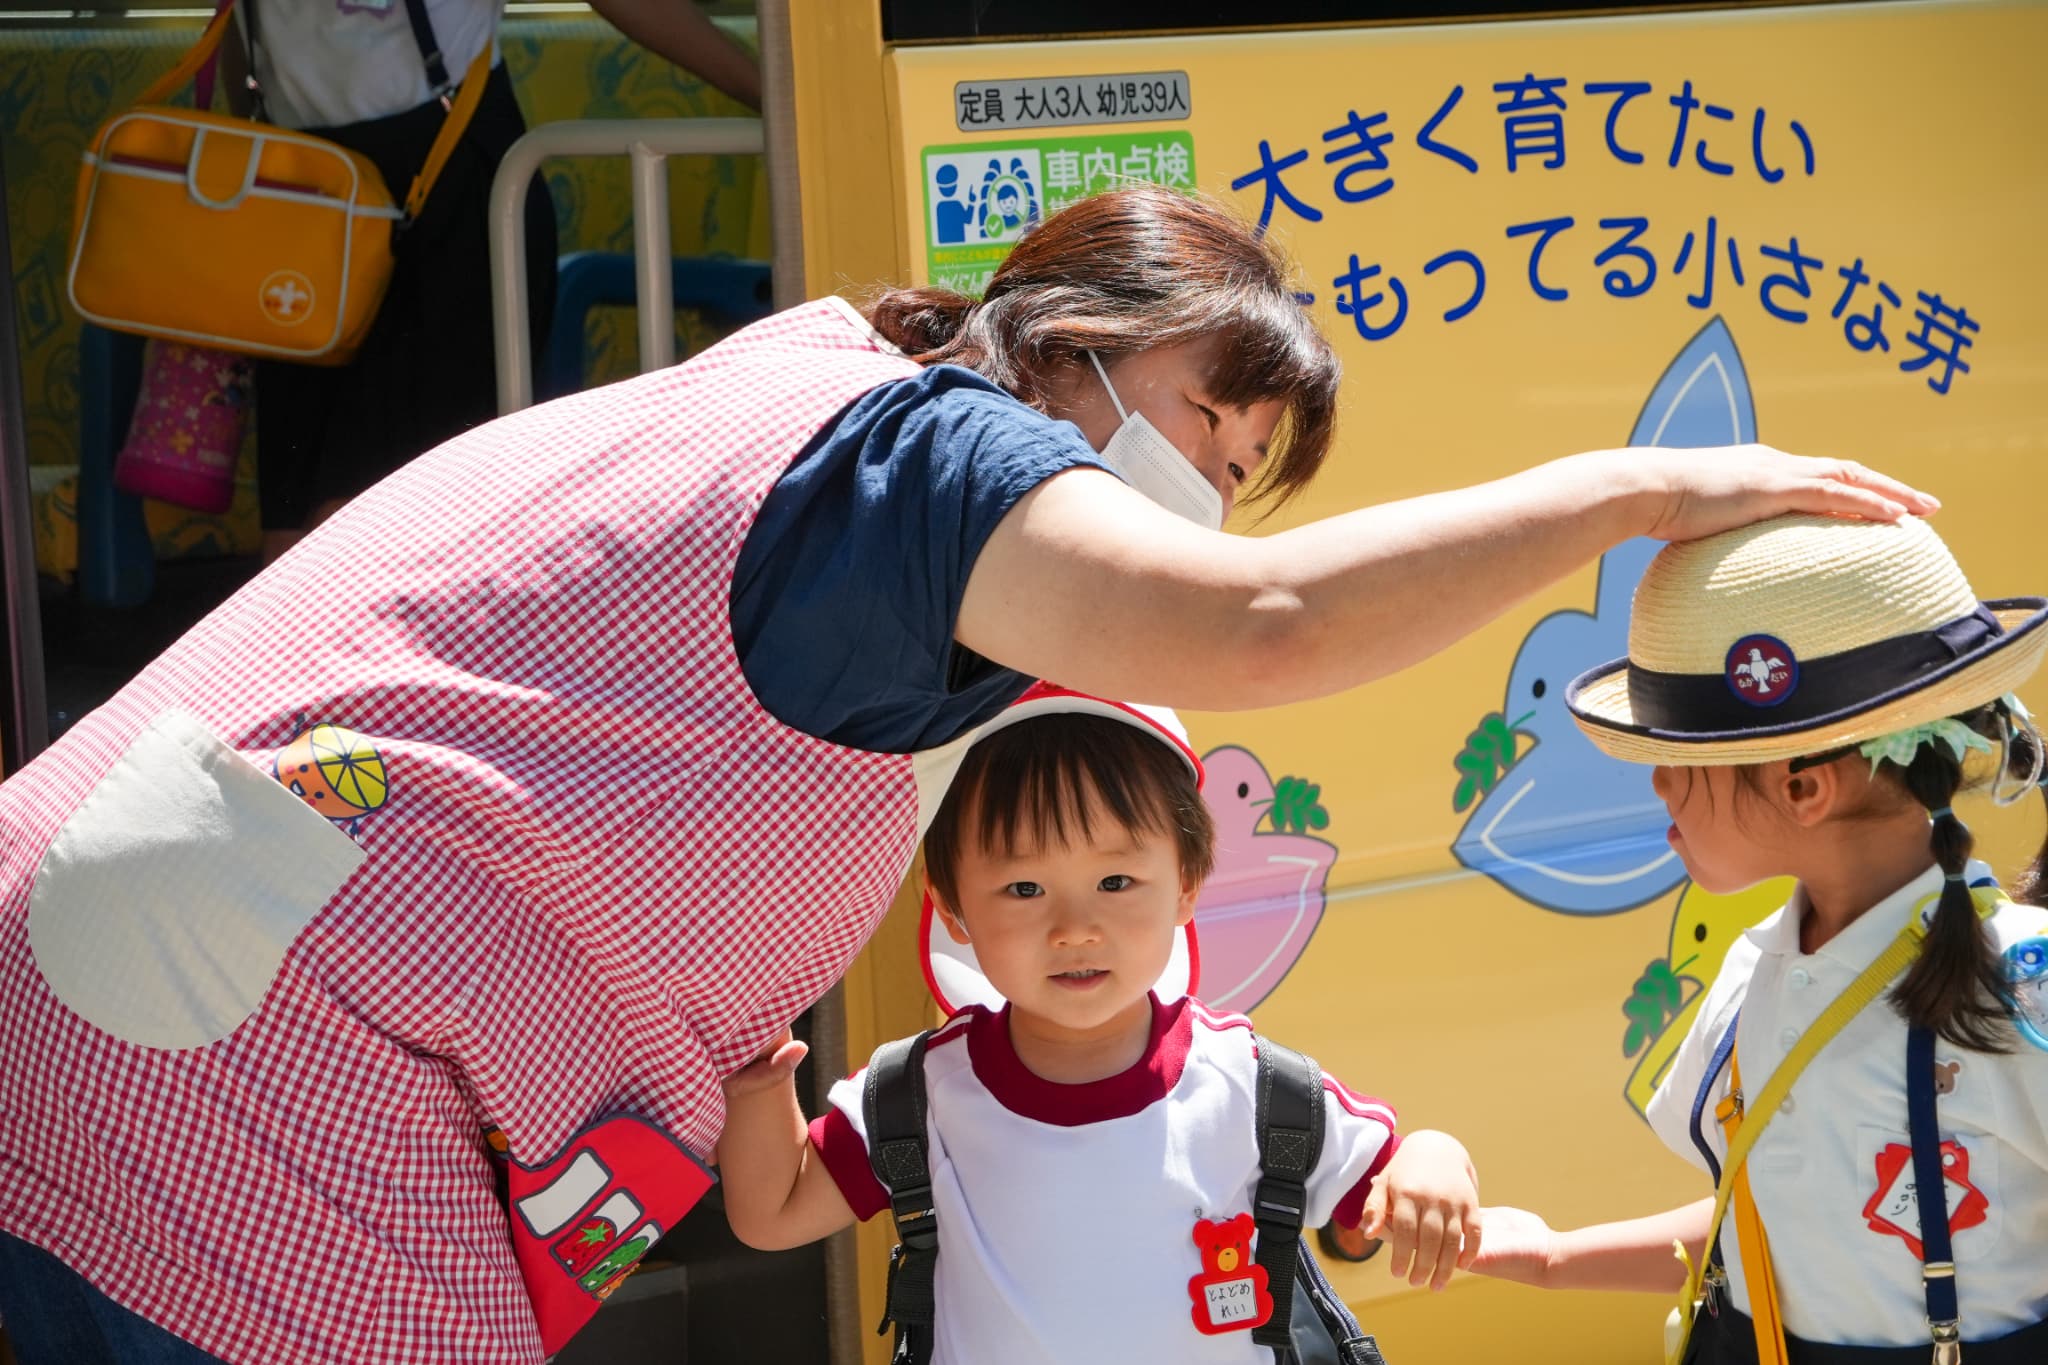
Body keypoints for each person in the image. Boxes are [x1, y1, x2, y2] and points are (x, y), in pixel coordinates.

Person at [0, 185, 1938, 1365]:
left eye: (1242, 474)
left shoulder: (796, 414)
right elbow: (1260, 625)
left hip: (153, 973)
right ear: (1068, 351)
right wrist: (1643, 487)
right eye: (1200, 428)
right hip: (245, 1085)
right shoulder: (923, 460)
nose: (1200, 495)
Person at [717, 684, 1481, 1362]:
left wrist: (1436, 1160)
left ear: (1184, 885)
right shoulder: (919, 1099)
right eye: (1023, 886)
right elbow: (773, 1211)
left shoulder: (1251, 1085)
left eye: (1116, 880)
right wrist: (758, 1075)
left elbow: (1384, 1176)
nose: (1075, 927)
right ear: (950, 903)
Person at [1466, 514, 2048, 1363]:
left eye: (1683, 755)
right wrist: (1553, 1259)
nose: (1659, 781)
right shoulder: (1753, 973)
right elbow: (1776, 1224)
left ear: (1803, 785)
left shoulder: (2023, 984)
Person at [227, 0, 763, 562]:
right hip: (300, 178)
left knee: (398, 519)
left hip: (448, 172)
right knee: (297, 526)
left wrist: (780, 93)